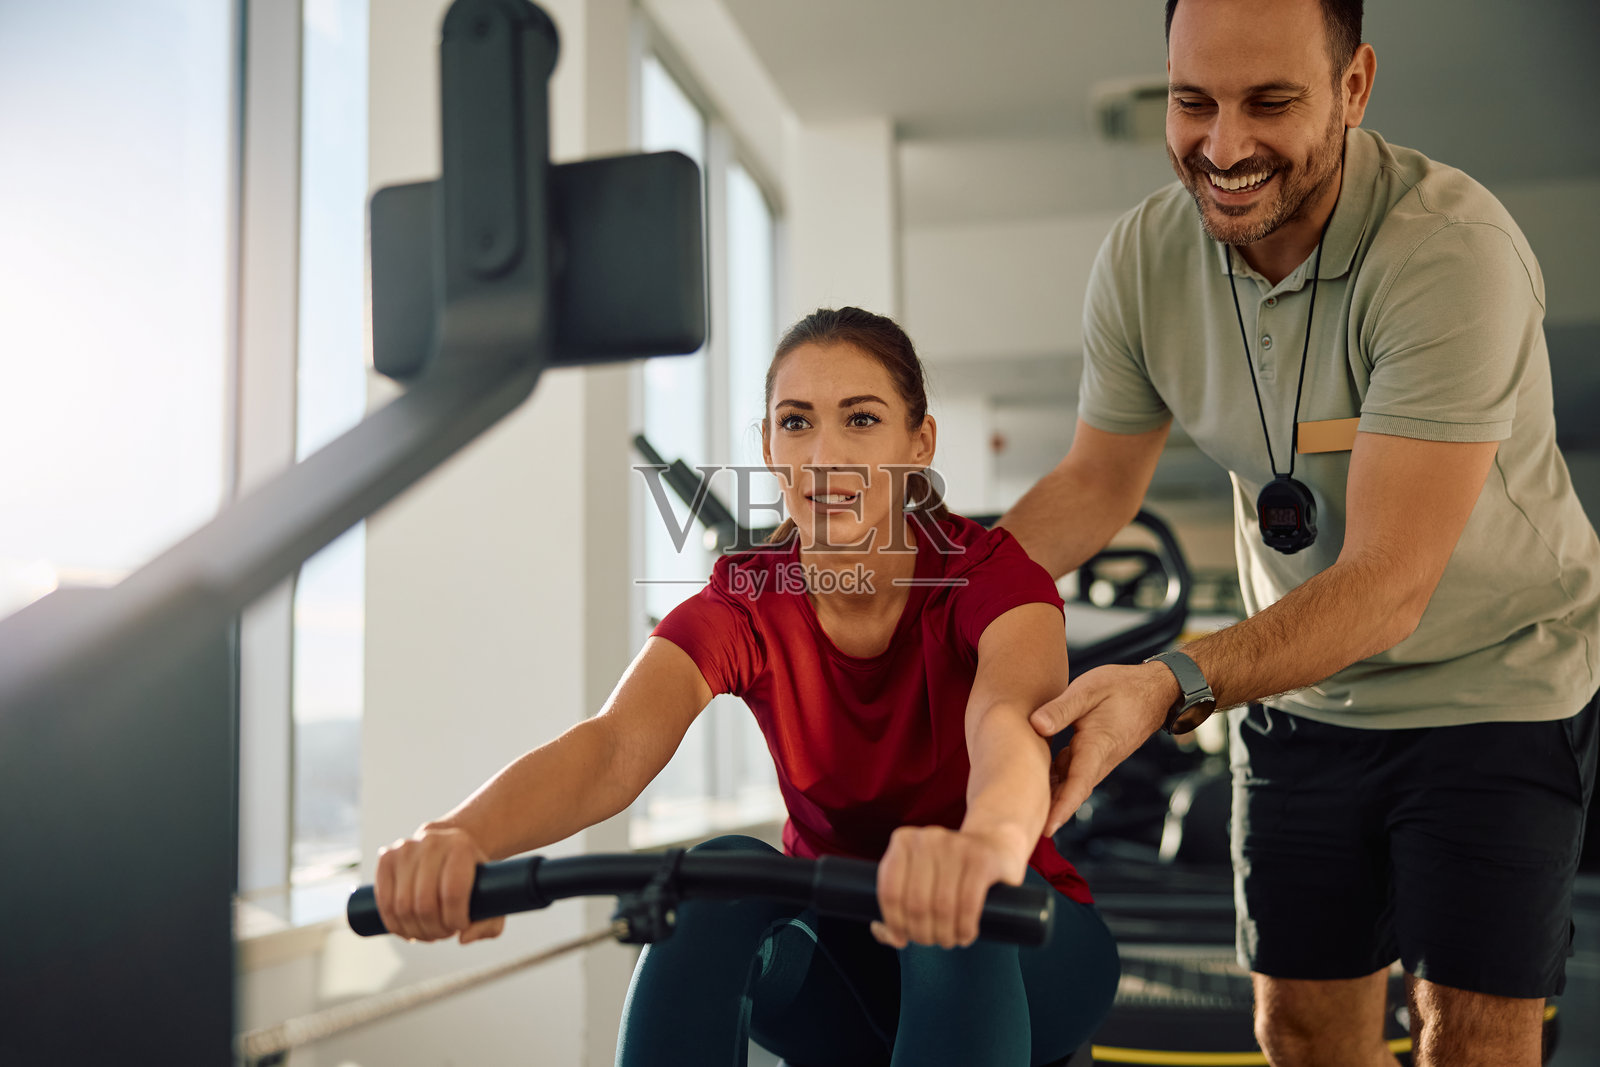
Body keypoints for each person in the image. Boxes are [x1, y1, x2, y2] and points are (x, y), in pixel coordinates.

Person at [999, 2, 1599, 1066]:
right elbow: (1094, 482)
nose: (1223, 148)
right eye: (1193, 103)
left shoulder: (1448, 252)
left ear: (1354, 86)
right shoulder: (1145, 258)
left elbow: (1384, 586)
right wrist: (936, 592)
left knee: (1470, 1037)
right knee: (1301, 1032)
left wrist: (1167, 681)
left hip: (1493, 686)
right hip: (1298, 698)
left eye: (1270, 103)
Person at [373, 307, 1120, 1067]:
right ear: (769, 445)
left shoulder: (994, 577)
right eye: (797, 423)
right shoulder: (747, 601)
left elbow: (1006, 727)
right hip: (841, 970)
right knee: (717, 873)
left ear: (918, 443)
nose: (825, 454)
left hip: (1022, 948)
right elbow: (613, 746)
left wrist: (982, 846)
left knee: (950, 915)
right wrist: (460, 838)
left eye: (861, 419)